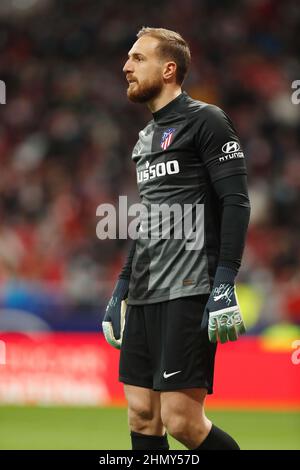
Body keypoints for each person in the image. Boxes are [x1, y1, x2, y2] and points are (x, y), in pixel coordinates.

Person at [102, 27, 250, 451]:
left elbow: (236, 203)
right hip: (146, 290)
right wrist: (121, 288)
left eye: (137, 58)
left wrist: (224, 282)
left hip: (189, 287)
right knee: (142, 416)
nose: (125, 66)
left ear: (169, 69)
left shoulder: (207, 120)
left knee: (182, 421)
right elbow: (149, 220)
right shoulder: (145, 138)